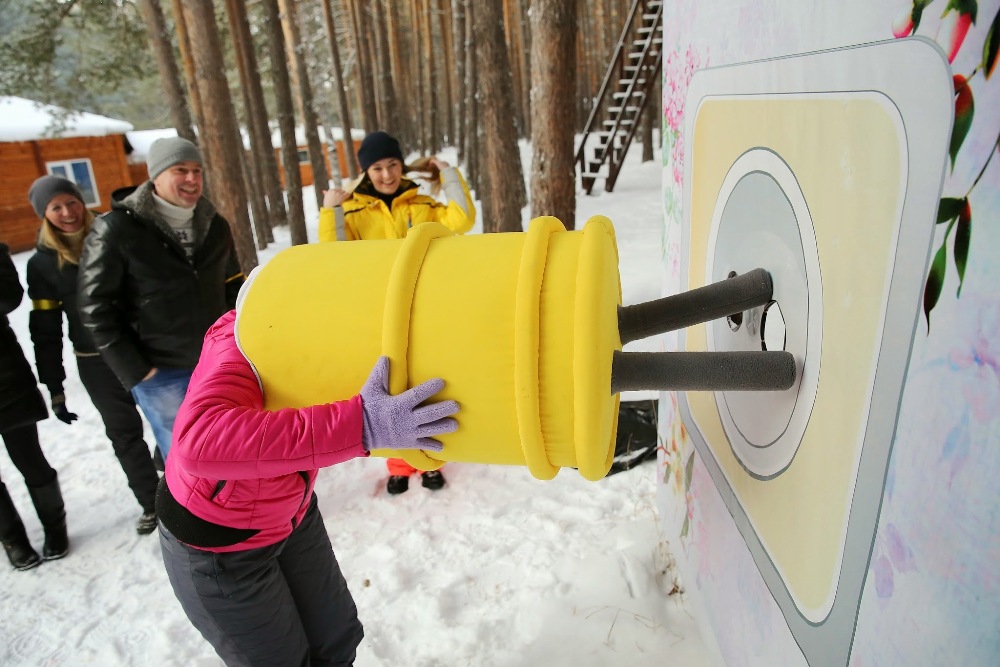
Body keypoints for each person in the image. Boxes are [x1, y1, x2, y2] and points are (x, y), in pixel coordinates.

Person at [157, 305, 460, 665]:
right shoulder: (242, 343)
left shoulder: (313, 329)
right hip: (220, 550)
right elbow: (200, 440)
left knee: (338, 638)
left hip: (293, 517)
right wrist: (360, 424)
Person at [318, 130, 476, 495]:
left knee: (427, 380)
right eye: (377, 167)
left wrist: (449, 175)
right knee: (387, 385)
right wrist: (331, 210)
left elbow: (463, 220)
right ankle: (398, 463)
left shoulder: (420, 204)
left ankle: (432, 460)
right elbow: (335, 251)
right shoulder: (353, 211)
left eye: (392, 165)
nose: (387, 175)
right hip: (377, 309)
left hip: (425, 305)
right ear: (365, 171)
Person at [77, 137, 245, 466]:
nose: (192, 179)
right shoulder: (117, 228)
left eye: (197, 170)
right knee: (182, 454)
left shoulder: (214, 225)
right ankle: (188, 515)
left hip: (215, 361)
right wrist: (138, 370)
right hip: (160, 370)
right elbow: (95, 308)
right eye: (180, 170)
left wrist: (234, 343)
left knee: (226, 441)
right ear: (156, 176)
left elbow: (232, 286)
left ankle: (229, 511)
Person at [26, 176, 160, 535]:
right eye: (56, 207)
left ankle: (189, 492)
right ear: (45, 214)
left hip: (142, 348)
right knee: (124, 434)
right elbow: (46, 328)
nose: (68, 212)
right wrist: (54, 384)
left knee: (173, 423)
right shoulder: (42, 264)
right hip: (95, 360)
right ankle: (153, 502)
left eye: (71, 202)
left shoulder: (111, 234)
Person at [0, 241, 68, 570]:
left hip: (3, 375)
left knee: (30, 458)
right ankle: (11, 537)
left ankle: (55, 527)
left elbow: (9, 296)